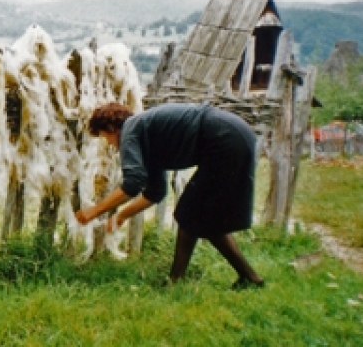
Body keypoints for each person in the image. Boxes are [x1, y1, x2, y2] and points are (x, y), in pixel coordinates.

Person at [74, 102, 264, 289]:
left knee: (190, 212)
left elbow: (133, 183)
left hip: (224, 137)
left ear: (111, 128)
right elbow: (155, 192)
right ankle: (247, 277)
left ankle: (177, 280)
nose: (111, 145)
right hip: (233, 134)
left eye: (105, 137)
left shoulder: (130, 129)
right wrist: (122, 215)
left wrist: (95, 211)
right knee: (198, 215)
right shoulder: (146, 134)